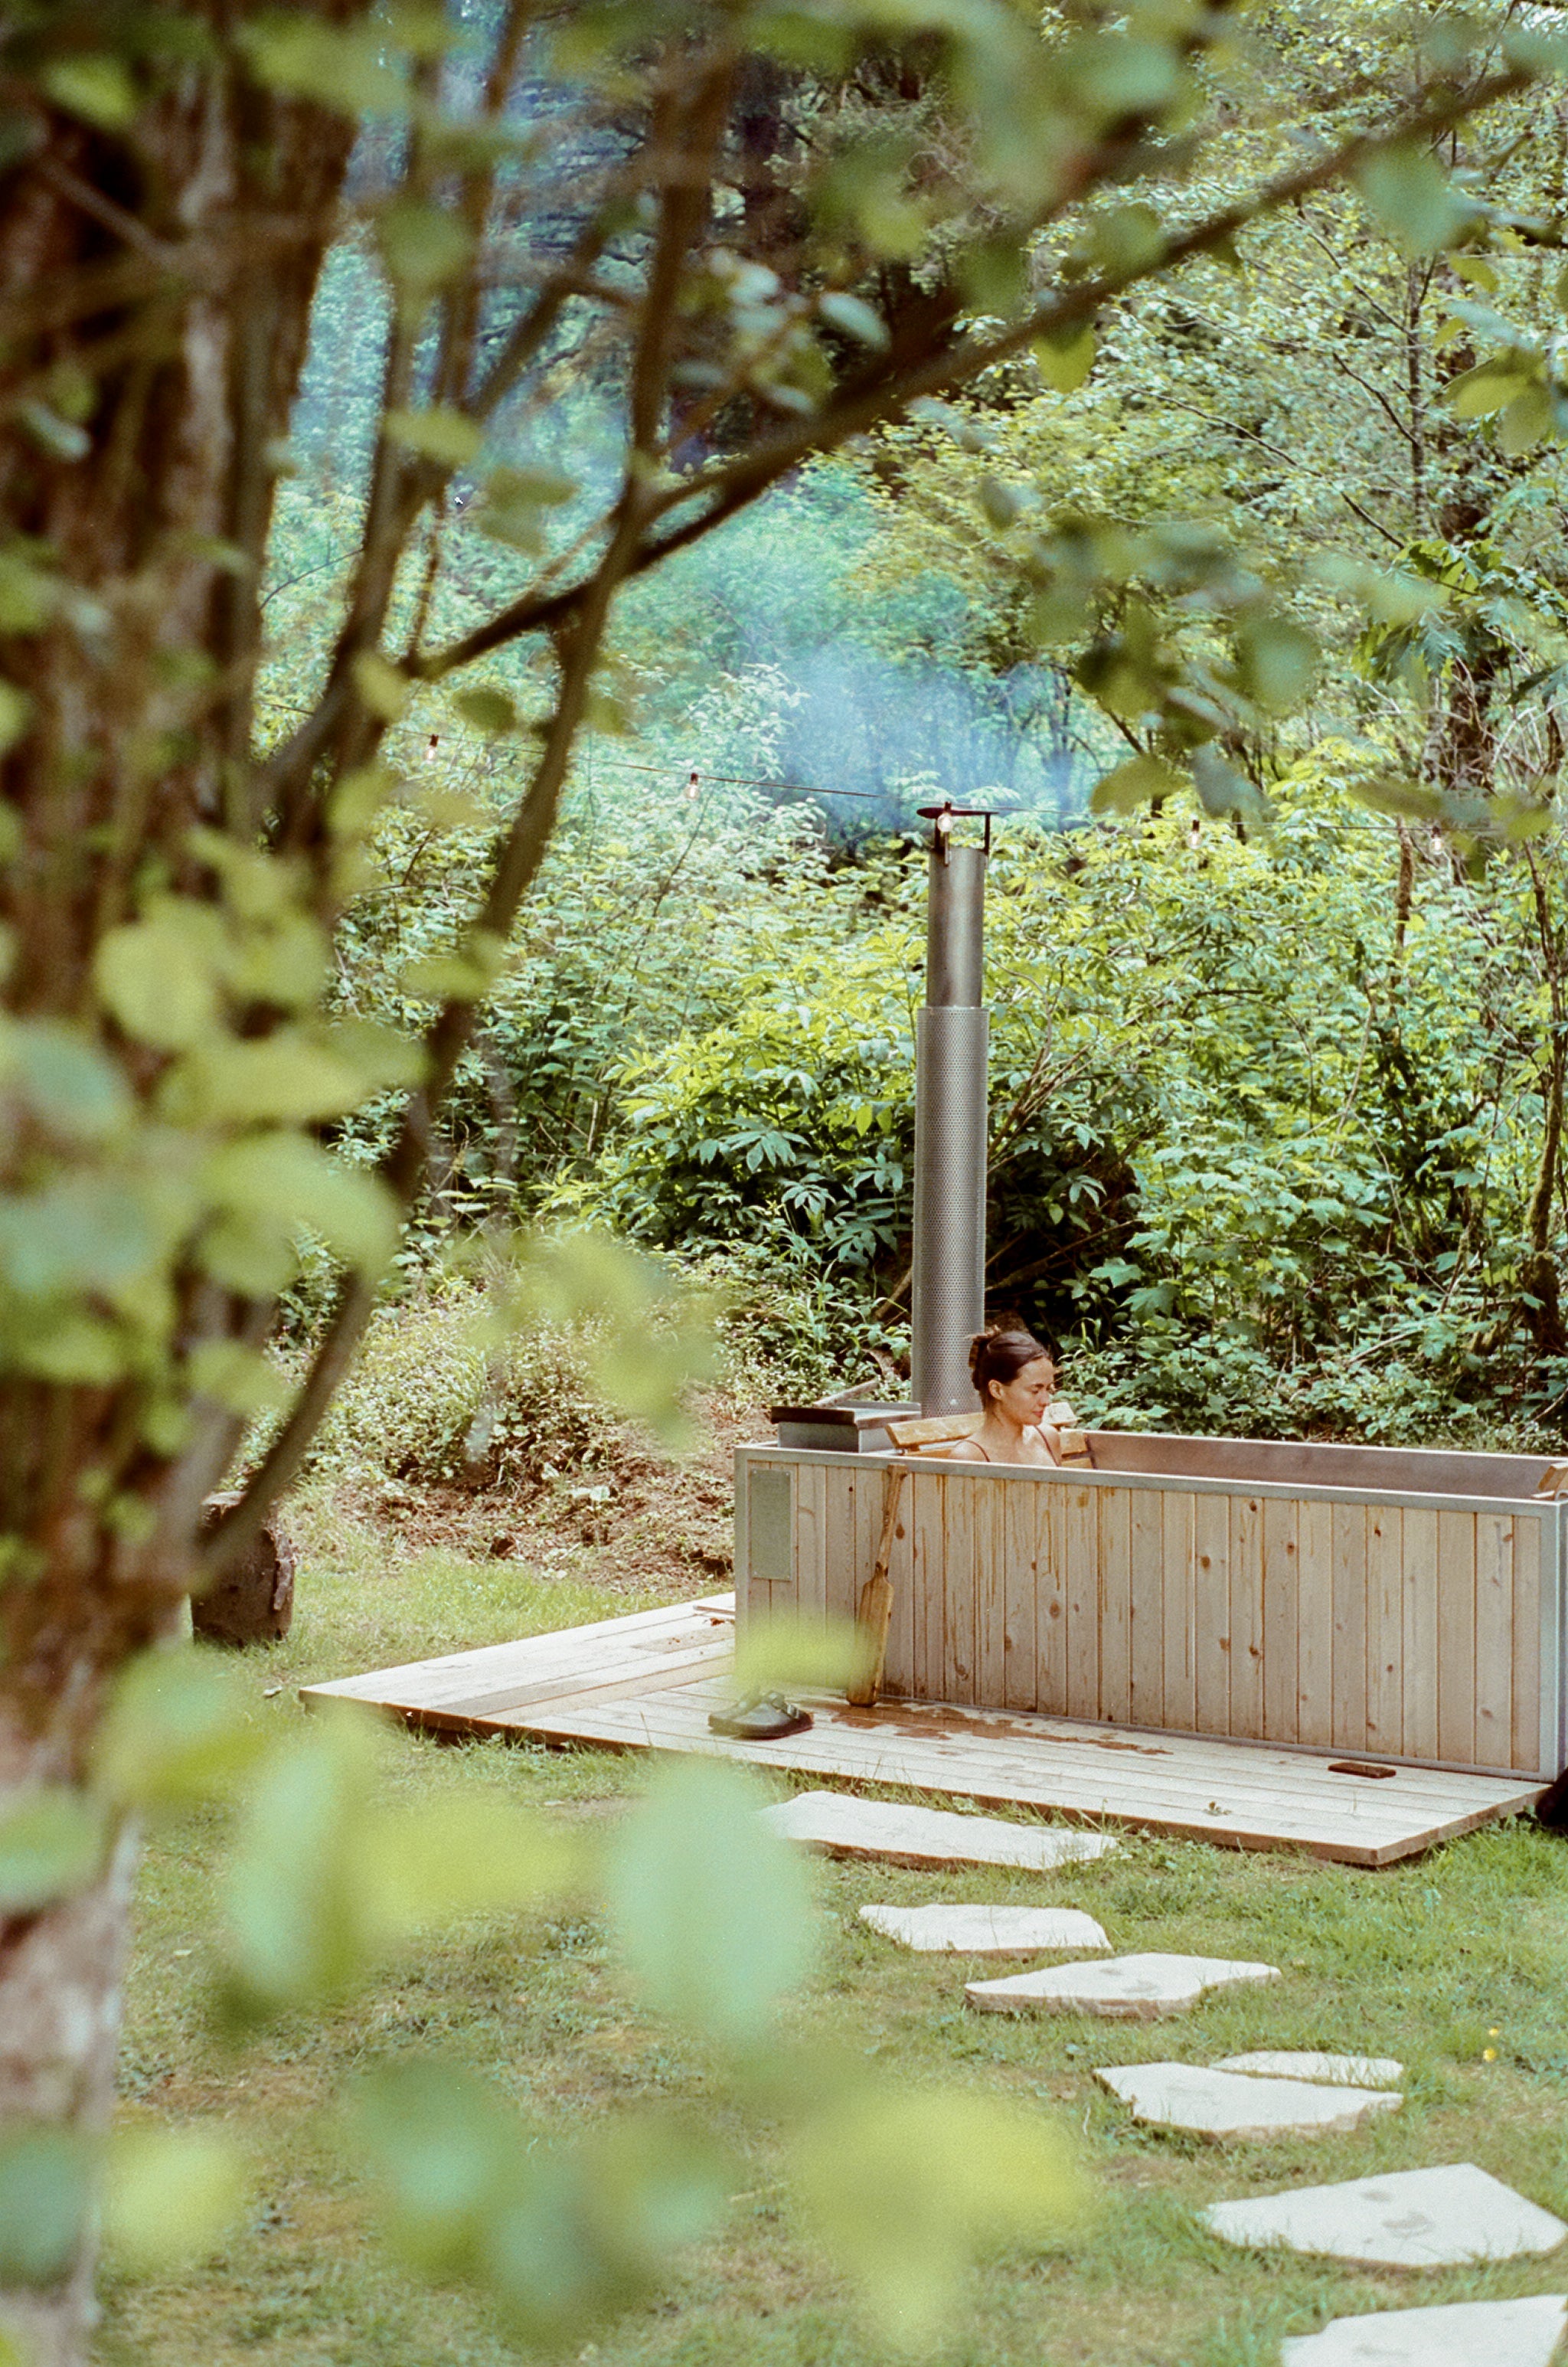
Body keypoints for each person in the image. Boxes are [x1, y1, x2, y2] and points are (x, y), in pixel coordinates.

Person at [946, 1326, 1063, 1466]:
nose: (1046, 1401)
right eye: (1035, 1391)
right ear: (997, 1390)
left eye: (1048, 1389)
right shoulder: (969, 1457)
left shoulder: (1048, 1438)